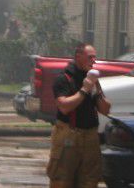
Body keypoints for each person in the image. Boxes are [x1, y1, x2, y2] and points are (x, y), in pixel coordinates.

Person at [47, 43, 110, 187]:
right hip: (69, 136)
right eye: (90, 57)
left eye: (94, 57)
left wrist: (97, 91)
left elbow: (105, 110)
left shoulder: (92, 80)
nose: (93, 60)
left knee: (89, 181)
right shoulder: (64, 78)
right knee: (62, 180)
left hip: (90, 137)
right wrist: (84, 90)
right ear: (78, 57)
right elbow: (64, 107)